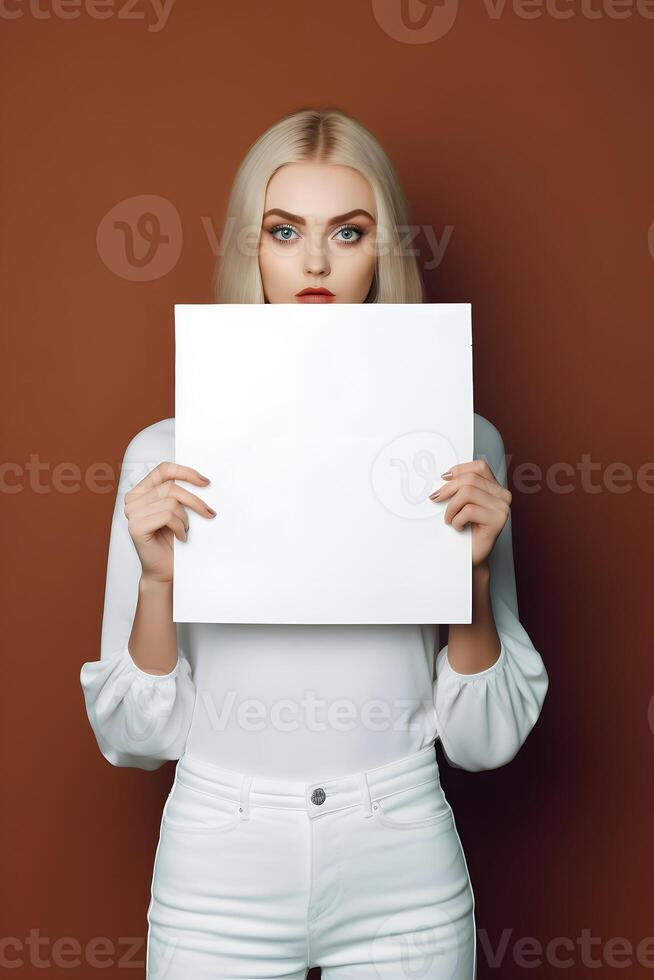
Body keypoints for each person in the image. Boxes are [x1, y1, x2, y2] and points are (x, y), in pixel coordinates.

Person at [80, 107, 549, 980]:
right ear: (250, 248)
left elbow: (484, 744)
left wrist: (473, 579)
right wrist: (154, 582)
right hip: (218, 869)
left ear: (387, 249)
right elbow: (136, 740)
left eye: (351, 231)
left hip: (401, 861)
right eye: (286, 230)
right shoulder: (165, 459)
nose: (318, 261)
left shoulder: (462, 445)